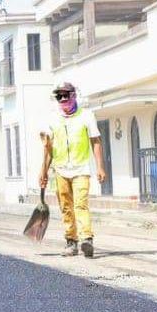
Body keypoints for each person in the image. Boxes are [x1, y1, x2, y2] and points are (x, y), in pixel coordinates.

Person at [38, 81, 108, 258]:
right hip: (60, 170)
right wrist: (43, 171)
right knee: (66, 207)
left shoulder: (86, 115)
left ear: (73, 95)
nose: (63, 99)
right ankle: (71, 242)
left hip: (81, 169)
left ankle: (86, 239)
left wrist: (100, 167)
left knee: (80, 204)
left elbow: (96, 141)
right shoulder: (52, 119)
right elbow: (47, 148)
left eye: (66, 95)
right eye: (59, 96)